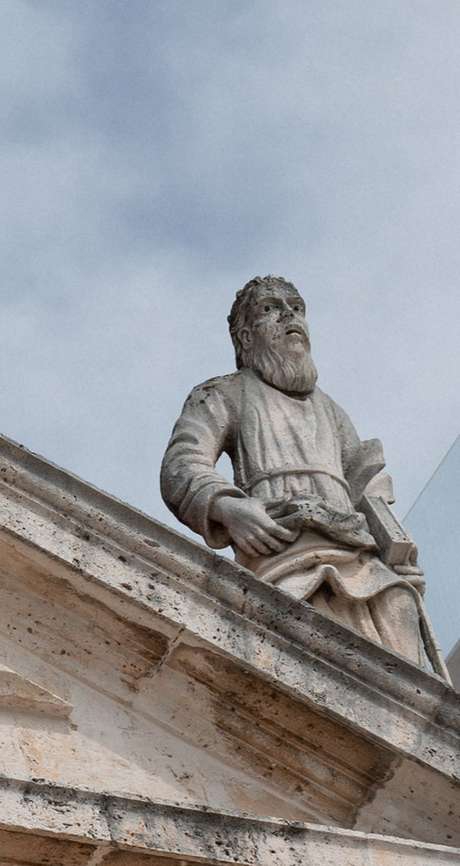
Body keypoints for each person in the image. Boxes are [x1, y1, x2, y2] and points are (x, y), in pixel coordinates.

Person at [160, 276, 446, 680]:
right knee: (305, 648)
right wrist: (231, 509)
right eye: (270, 308)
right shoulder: (224, 393)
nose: (289, 315)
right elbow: (183, 463)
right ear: (245, 336)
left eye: (296, 306)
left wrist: (397, 553)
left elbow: (366, 486)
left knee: (399, 607)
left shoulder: (330, 410)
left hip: (357, 549)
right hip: (284, 545)